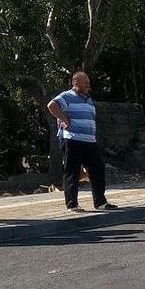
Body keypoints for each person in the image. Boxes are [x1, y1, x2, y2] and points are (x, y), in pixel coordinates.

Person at [46, 71, 118, 212]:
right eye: (85, 83)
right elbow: (51, 105)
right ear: (75, 82)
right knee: (72, 170)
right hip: (72, 139)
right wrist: (64, 118)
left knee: (97, 169)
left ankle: (100, 202)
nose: (88, 85)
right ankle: (72, 204)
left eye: (88, 83)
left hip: (89, 141)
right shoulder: (66, 96)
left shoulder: (88, 99)